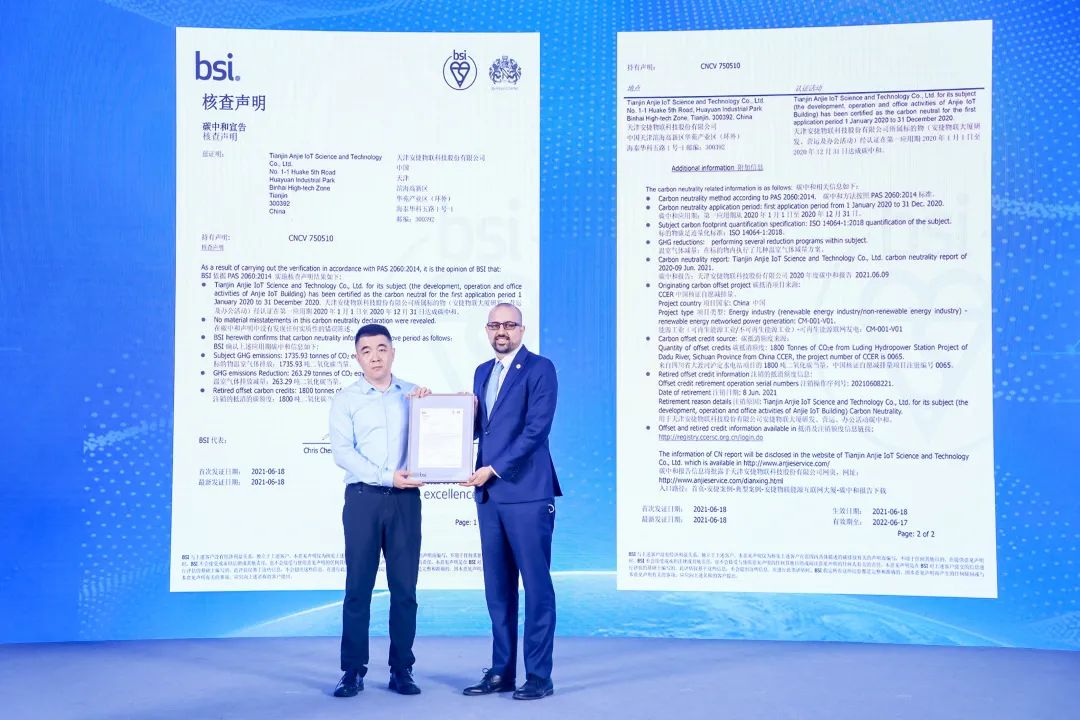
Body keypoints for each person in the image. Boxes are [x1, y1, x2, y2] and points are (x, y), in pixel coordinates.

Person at [461, 303, 561, 701]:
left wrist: (494, 469)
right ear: (487, 330)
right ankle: (502, 671)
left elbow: (536, 430)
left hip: (526, 494)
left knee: (536, 588)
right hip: (489, 497)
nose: (501, 331)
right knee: (498, 590)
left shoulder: (540, 369)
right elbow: (479, 429)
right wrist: (445, 412)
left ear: (521, 329)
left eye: (509, 324)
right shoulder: (482, 372)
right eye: (494, 325)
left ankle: (538, 676)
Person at [328, 323, 429, 699]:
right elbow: (344, 453)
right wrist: (388, 477)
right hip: (363, 500)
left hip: (405, 502)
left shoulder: (414, 395)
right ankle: (352, 671)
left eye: (381, 348)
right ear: (357, 357)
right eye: (366, 350)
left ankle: (402, 669)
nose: (375, 356)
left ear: (392, 353)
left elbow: (438, 438)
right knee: (358, 588)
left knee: (405, 589)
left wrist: (433, 409)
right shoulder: (346, 399)